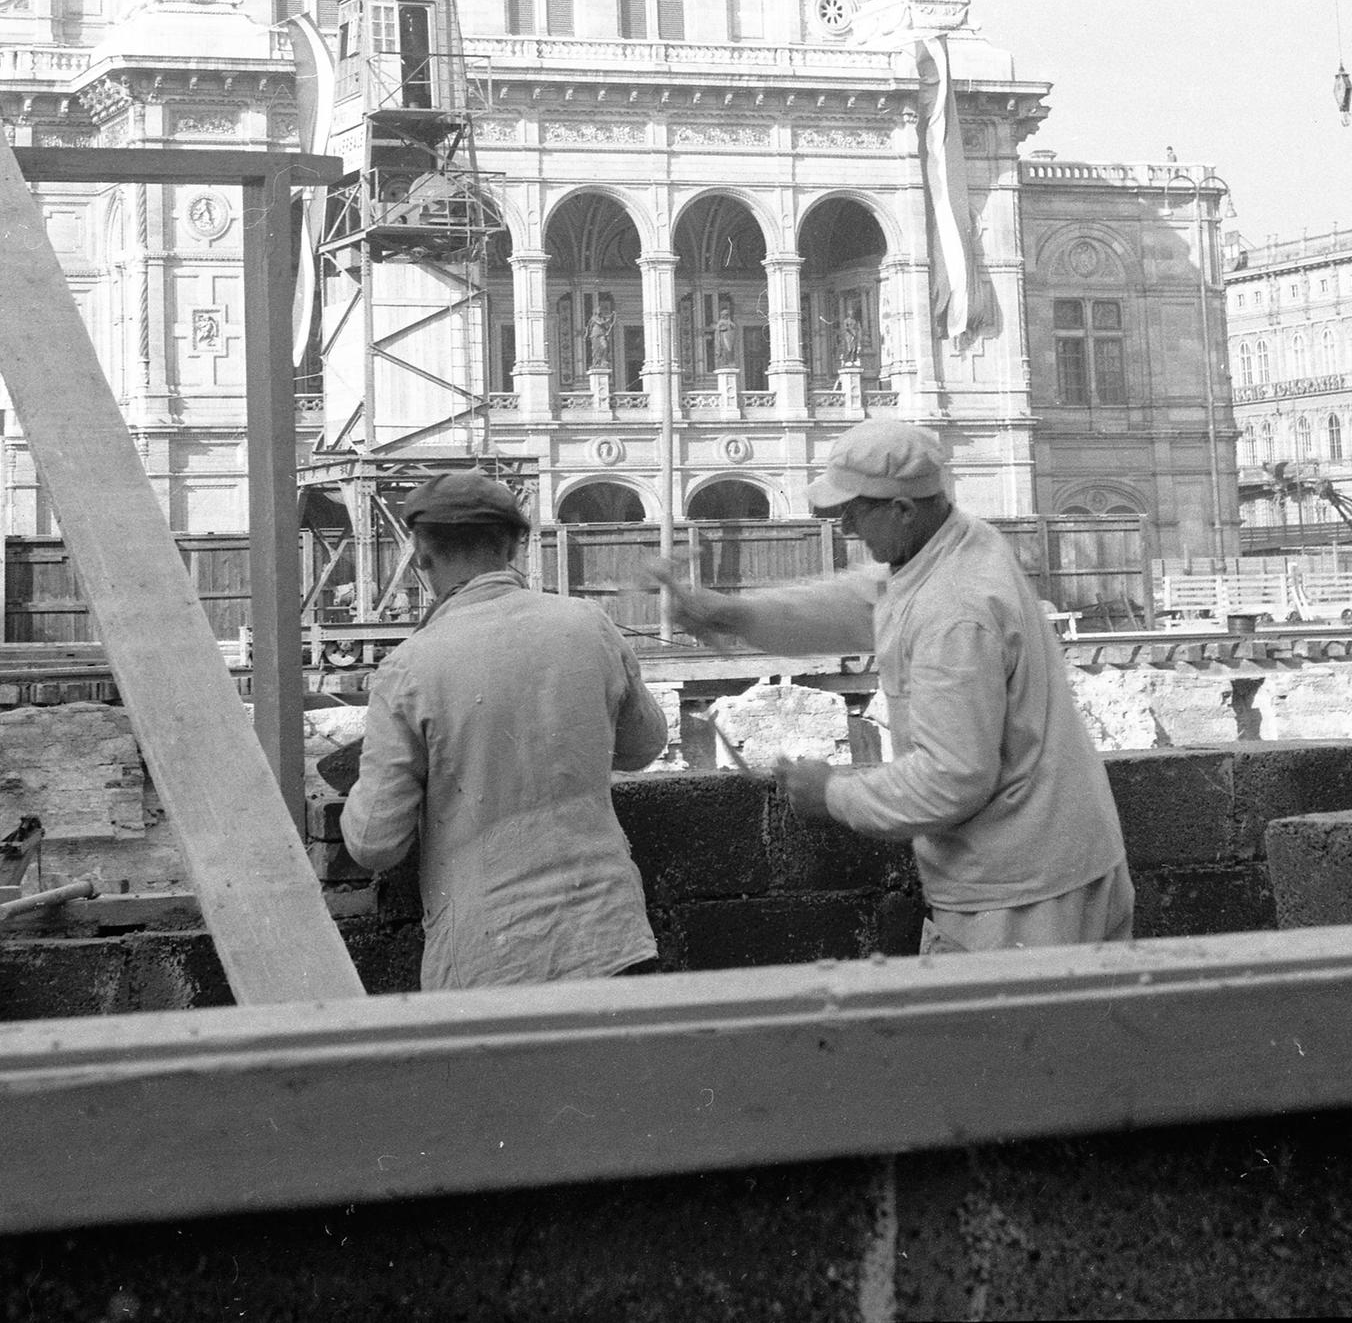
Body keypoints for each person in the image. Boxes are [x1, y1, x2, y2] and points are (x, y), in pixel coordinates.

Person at [640, 417, 1131, 954]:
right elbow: (866, 602)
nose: (847, 527)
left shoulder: (954, 610)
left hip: (1023, 894)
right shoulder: (961, 544)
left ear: (901, 510)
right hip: (1061, 859)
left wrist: (832, 793)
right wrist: (733, 615)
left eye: (854, 513)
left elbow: (950, 780)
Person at [341, 470, 669, 988]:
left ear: (421, 552)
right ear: (514, 545)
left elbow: (375, 842)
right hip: (611, 940)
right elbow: (643, 746)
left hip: (491, 963)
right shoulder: (588, 623)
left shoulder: (410, 667)